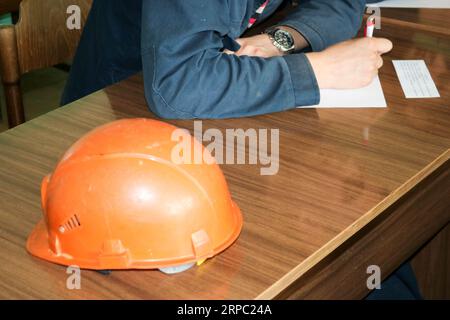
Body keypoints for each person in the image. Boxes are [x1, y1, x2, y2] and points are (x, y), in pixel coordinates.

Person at [62, 0, 393, 119]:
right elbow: (179, 84)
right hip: (117, 107)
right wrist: (320, 71)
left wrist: (278, 41)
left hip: (211, 95)